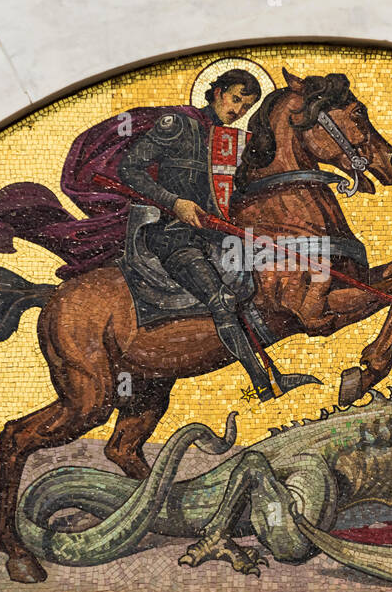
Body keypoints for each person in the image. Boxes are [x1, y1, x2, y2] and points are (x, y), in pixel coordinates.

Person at [117, 69, 276, 400]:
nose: (237, 111)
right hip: (171, 234)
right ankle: (264, 383)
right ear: (217, 92)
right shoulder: (177, 125)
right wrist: (174, 203)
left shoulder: (228, 141)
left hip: (212, 234)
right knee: (221, 299)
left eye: (245, 107)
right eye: (234, 99)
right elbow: (129, 168)